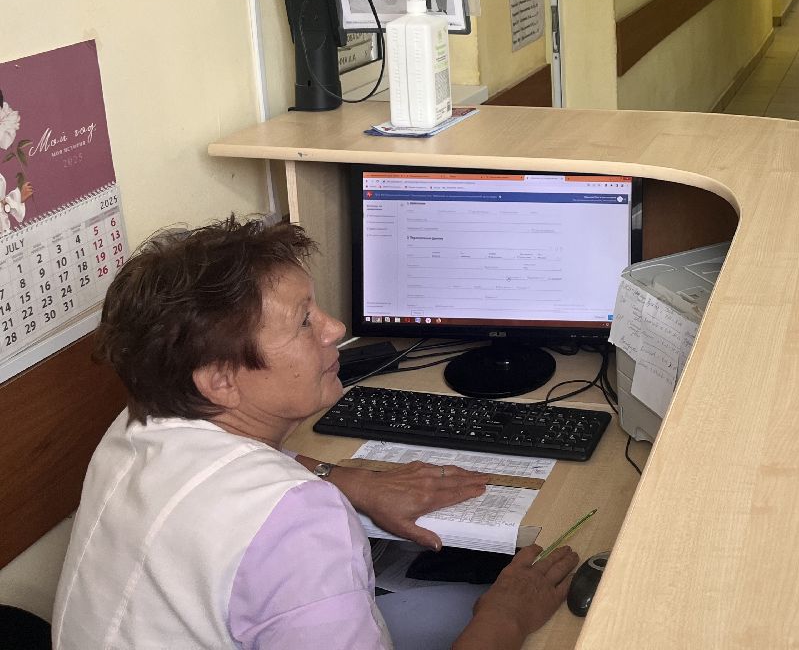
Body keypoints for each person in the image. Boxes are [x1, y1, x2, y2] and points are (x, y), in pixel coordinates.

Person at [53, 217, 578, 649]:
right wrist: (506, 617)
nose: (335, 329)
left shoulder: (137, 423)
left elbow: (232, 472)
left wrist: (348, 478)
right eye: (304, 321)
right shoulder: (299, 526)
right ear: (220, 380)